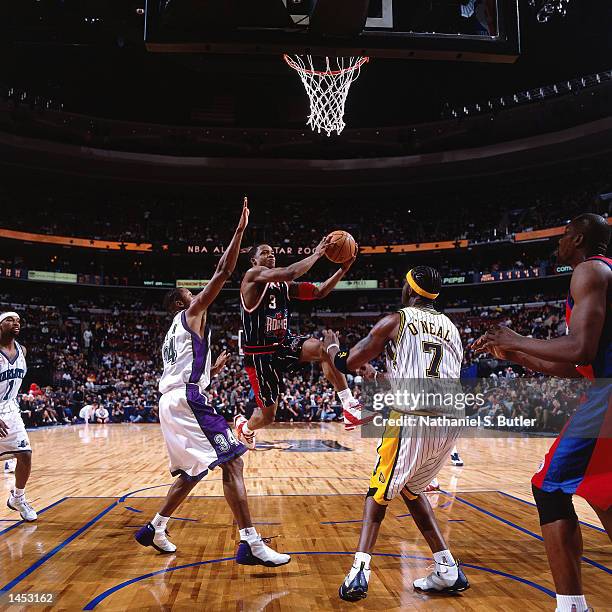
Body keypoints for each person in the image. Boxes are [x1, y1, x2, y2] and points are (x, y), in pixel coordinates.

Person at [135, 198, 289, 567]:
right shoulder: (190, 312)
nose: (196, 294)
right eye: (190, 292)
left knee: (193, 471)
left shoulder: (172, 334)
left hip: (174, 399)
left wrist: (210, 373)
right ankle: (250, 542)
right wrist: (240, 230)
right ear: (181, 302)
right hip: (187, 400)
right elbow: (222, 271)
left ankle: (155, 527)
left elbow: (180, 369)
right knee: (234, 461)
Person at [475, 213, 611, 612]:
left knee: (549, 486)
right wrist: (518, 354)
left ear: (581, 238)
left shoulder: (589, 271)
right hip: (601, 386)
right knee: (602, 492)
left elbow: (580, 349)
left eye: (565, 236)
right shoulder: (602, 274)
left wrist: (520, 337)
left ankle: (571, 606)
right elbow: (575, 365)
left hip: (607, 396)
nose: (559, 243)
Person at [322, 266, 469, 601]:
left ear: (410, 289)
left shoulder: (397, 320)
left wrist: (332, 351)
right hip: (451, 419)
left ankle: (359, 571)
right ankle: (447, 569)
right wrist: (384, 377)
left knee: (378, 492)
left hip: (413, 419)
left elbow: (349, 361)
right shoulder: (452, 328)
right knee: (413, 491)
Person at [234, 239, 363, 449]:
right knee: (268, 417)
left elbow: (319, 292)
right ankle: (245, 428)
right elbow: (291, 272)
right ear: (254, 261)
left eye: (272, 252)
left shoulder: (282, 285)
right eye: (265, 252)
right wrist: (317, 253)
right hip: (260, 356)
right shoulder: (252, 276)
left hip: (284, 343)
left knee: (324, 348)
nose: (271, 255)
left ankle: (349, 405)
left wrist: (342, 269)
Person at [0, 311, 37, 521]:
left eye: (18, 321)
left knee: (25, 455)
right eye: (10, 320)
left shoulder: (22, 350)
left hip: (10, 410)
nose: (16, 323)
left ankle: (18, 498)